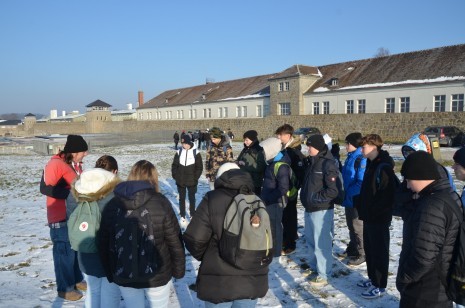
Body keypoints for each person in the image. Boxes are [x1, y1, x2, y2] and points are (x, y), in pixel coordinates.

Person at [98, 160, 185, 307]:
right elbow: (174, 240)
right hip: (157, 272)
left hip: (125, 272)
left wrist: (110, 271)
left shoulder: (113, 203)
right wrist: (178, 270)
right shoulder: (161, 202)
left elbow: (103, 242)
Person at [183, 163, 269, 307]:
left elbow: (195, 238)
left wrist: (206, 256)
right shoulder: (256, 199)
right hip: (251, 278)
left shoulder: (212, 198)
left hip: (219, 281)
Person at [396, 151, 461, 307]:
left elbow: (423, 256)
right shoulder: (449, 194)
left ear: (419, 176)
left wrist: (404, 279)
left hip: (425, 289)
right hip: (440, 284)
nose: (407, 184)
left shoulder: (432, 206)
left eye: (408, 179)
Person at [41, 134, 88, 301]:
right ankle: (65, 288)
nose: (86, 154)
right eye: (84, 151)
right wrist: (70, 194)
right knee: (63, 253)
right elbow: (45, 188)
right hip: (60, 217)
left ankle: (76, 279)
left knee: (73, 250)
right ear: (74, 151)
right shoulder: (55, 164)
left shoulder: (72, 165)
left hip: (72, 216)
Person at [71, 155, 121, 307]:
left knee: (93, 291)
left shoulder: (80, 189)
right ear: (115, 172)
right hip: (108, 255)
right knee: (110, 293)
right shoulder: (114, 195)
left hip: (85, 251)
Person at [355, 134, 396, 299]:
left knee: (380, 252)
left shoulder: (384, 167)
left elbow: (387, 197)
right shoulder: (371, 164)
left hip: (379, 218)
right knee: (370, 250)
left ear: (373, 147)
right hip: (369, 216)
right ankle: (373, 279)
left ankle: (380, 285)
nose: (361, 149)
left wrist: (372, 210)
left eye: (364, 146)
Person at [300, 134, 339, 286]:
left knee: (321, 242)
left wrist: (315, 199)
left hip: (321, 210)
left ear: (317, 147)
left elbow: (332, 191)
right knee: (310, 240)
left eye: (310, 146)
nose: (307, 148)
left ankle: (324, 274)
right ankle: (314, 266)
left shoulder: (328, 164)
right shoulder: (311, 162)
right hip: (309, 208)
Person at [395, 133, 456, 218]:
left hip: (431, 216)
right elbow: (399, 195)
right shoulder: (411, 169)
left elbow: (445, 194)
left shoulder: (436, 169)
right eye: (406, 153)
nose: (409, 156)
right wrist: (412, 196)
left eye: (412, 152)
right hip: (413, 216)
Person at [275, 124, 307, 255]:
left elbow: (299, 172)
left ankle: (290, 244)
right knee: (287, 215)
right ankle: (291, 235)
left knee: (289, 215)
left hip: (290, 189)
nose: (278, 137)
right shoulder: (284, 148)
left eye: (280, 135)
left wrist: (293, 186)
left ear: (288, 136)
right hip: (284, 187)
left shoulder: (294, 151)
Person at [260, 137, 292, 259]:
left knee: (275, 227)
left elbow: (283, 188)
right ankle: (270, 248)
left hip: (276, 201)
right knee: (270, 227)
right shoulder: (272, 162)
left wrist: (268, 198)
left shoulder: (281, 165)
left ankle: (276, 252)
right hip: (269, 200)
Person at [340, 132, 367, 266]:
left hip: (356, 199)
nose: (345, 146)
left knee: (358, 227)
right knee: (351, 226)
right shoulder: (350, 157)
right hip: (348, 198)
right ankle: (353, 248)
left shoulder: (361, 158)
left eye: (347, 143)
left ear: (354, 144)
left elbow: (360, 182)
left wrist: (349, 192)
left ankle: (362, 253)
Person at [171, 134, 203, 225]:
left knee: (192, 198)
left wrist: (195, 178)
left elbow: (199, 167)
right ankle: (182, 216)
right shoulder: (179, 152)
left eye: (186, 143)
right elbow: (174, 166)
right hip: (180, 181)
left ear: (189, 143)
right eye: (183, 144)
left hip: (192, 181)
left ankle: (192, 214)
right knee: (182, 199)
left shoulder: (196, 153)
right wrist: (176, 176)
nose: (184, 145)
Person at [236, 130, 266, 195]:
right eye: (244, 140)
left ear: (252, 140)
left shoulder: (259, 150)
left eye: (247, 140)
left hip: (254, 183)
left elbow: (260, 167)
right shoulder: (245, 149)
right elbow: (238, 159)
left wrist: (245, 164)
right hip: (244, 180)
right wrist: (238, 162)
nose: (245, 142)